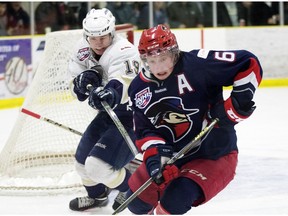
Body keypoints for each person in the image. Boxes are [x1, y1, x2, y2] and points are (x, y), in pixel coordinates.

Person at [126, 24, 263, 214]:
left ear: (174, 52)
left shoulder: (197, 64)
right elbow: (144, 131)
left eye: (163, 58)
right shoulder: (138, 88)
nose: (159, 67)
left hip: (214, 155)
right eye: (152, 60)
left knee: (172, 203)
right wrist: (156, 159)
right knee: (136, 204)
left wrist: (237, 103)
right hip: (174, 157)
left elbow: (248, 62)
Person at [67, 8, 141, 212]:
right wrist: (79, 84)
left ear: (112, 33)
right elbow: (74, 81)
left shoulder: (124, 50)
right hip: (108, 114)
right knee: (81, 165)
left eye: (103, 37)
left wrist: (109, 93)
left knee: (97, 167)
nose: (98, 42)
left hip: (133, 115)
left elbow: (122, 84)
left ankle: (134, 189)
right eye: (93, 38)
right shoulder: (81, 49)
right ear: (86, 36)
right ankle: (98, 197)